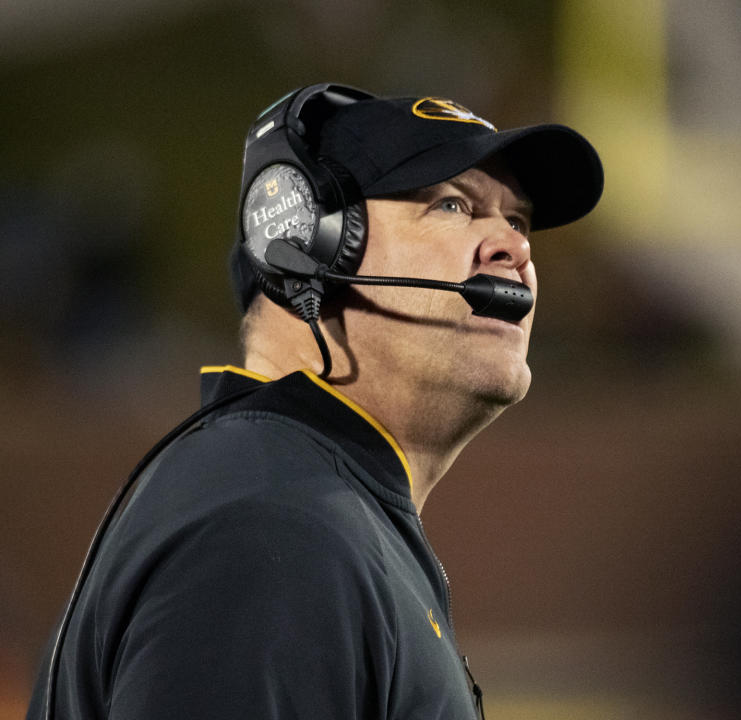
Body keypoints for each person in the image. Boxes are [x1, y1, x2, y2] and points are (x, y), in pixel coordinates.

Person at [27, 83, 603, 720]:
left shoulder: (309, 500)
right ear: (309, 245)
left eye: (517, 220)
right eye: (451, 205)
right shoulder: (272, 526)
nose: (515, 248)